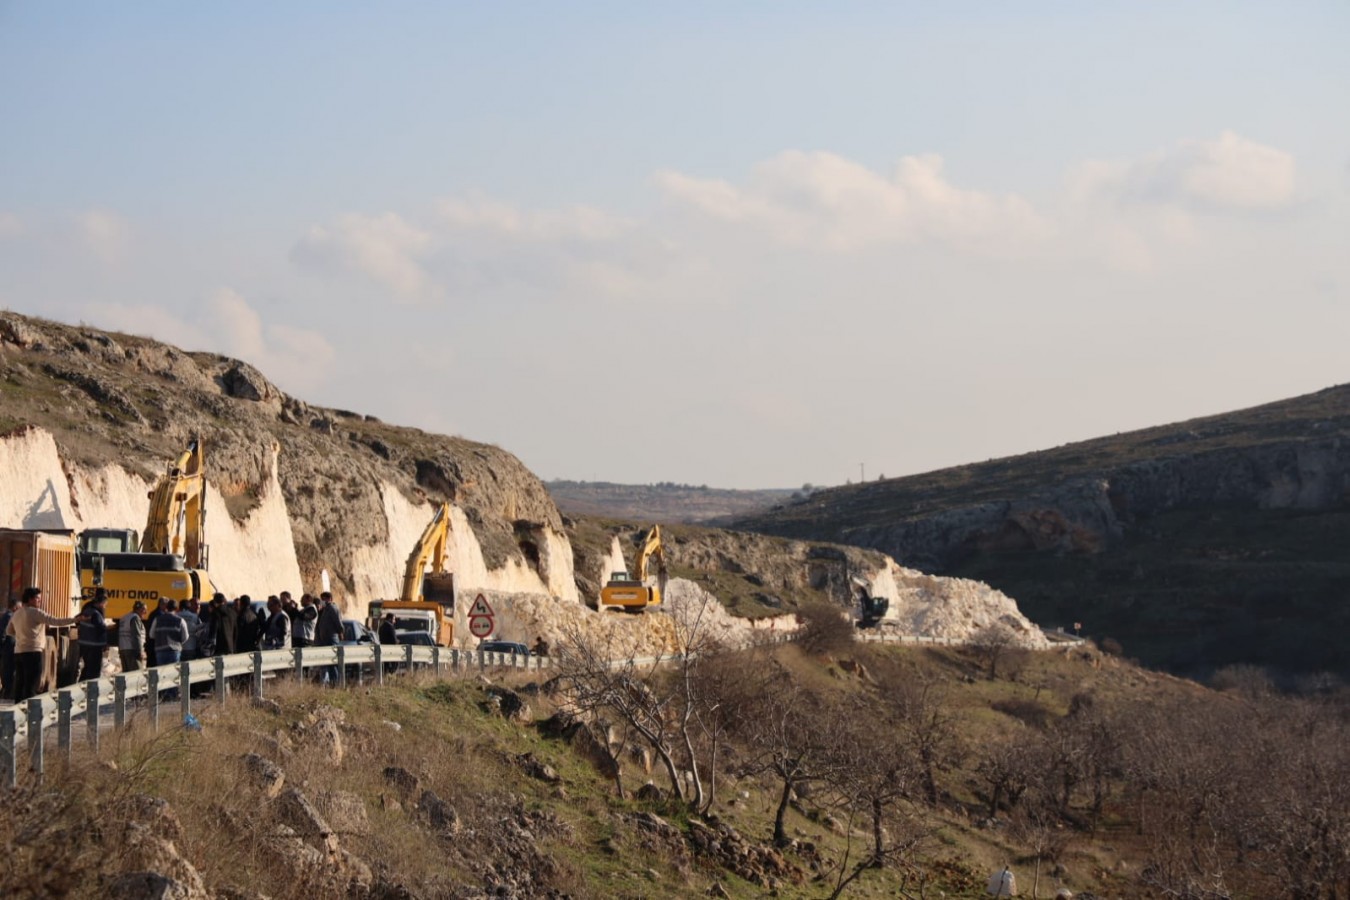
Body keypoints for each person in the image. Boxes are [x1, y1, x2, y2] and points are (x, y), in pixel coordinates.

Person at [5, 587, 77, 703]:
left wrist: (21, 635)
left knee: (20, 682)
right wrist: (75, 619)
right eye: (37, 598)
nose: (39, 601)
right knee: (31, 683)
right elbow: (55, 621)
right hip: (32, 652)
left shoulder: (17, 613)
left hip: (19, 652)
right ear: (30, 599)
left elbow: (9, 631)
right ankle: (29, 712)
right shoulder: (35, 612)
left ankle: (17, 711)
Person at [76, 590, 110, 682]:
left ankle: (80, 688)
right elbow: (100, 629)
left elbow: (77, 619)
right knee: (94, 671)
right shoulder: (96, 614)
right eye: (105, 603)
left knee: (87, 668)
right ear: (102, 602)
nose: (105, 606)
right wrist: (105, 644)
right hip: (94, 645)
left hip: (85, 644)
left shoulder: (87, 609)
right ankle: (91, 692)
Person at [314, 591, 343, 685]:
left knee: (333, 662)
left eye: (324, 599)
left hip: (331, 639)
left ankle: (335, 683)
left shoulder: (332, 608)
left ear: (330, 599)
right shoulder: (325, 610)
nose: (323, 601)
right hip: (325, 640)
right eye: (322, 599)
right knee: (327, 662)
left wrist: (340, 632)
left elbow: (338, 622)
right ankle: (329, 682)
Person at [118, 600, 147, 672]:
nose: (145, 613)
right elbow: (136, 636)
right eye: (144, 610)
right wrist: (139, 652)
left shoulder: (124, 618)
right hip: (132, 651)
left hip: (123, 650)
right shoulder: (135, 618)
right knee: (137, 676)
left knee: (126, 675)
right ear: (140, 609)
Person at [0, 596, 18, 700]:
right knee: (8, 670)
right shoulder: (8, 616)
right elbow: (3, 632)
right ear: (15, 607)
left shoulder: (10, 616)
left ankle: (8, 691)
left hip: (9, 648)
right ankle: (7, 692)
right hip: (8, 648)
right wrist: (2, 645)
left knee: (10, 670)